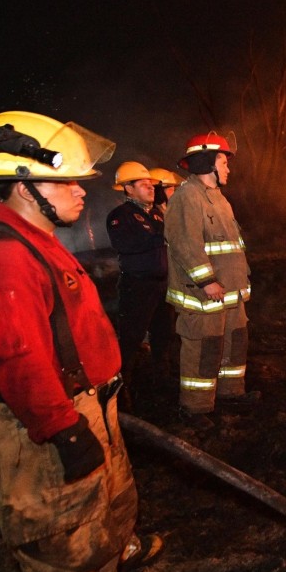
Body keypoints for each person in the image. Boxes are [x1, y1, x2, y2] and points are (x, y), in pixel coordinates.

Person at [0, 111, 161, 572]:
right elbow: (16, 358)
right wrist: (63, 429)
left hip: (85, 402)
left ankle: (112, 558)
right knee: (60, 528)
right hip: (43, 420)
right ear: (23, 186)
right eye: (64, 180)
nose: (80, 192)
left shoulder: (36, 237)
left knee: (105, 499)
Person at [163, 131, 258, 430]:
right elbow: (184, 243)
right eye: (223, 161)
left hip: (231, 293)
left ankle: (231, 393)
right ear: (207, 162)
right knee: (204, 347)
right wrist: (206, 281)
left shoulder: (220, 200)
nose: (229, 168)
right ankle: (194, 407)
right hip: (205, 295)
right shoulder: (186, 197)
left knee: (234, 341)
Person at [107, 161, 173, 407]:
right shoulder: (120, 216)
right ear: (128, 188)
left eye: (151, 184)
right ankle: (123, 390)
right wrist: (160, 236)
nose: (150, 188)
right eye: (144, 184)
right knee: (131, 339)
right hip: (137, 287)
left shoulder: (156, 213)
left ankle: (161, 380)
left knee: (163, 335)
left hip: (161, 285)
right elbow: (126, 245)